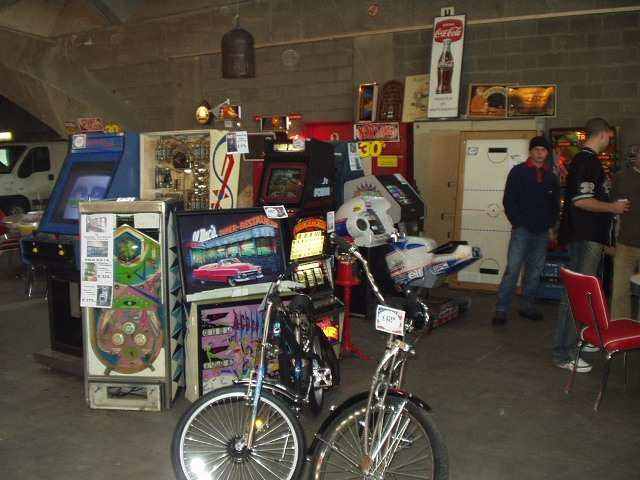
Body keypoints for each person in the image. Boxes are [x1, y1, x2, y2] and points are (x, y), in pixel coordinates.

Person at [552, 118, 631, 372]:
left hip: (590, 238)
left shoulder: (587, 161)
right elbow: (581, 201)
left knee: (584, 295)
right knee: (575, 296)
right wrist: (613, 207)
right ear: (604, 134)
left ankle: (581, 340)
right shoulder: (587, 161)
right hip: (584, 238)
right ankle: (562, 352)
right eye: (609, 136)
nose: (610, 141)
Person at [492, 136, 560, 326]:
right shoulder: (518, 172)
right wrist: (518, 223)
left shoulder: (551, 177)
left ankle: (527, 306)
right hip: (522, 230)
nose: (539, 153)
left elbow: (554, 205)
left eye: (543, 150)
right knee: (513, 269)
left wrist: (551, 226)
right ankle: (501, 309)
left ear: (547, 153)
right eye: (536, 149)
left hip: (542, 232)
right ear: (531, 151)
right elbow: (509, 200)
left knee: (535, 271)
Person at [611, 147, 640, 318]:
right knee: (620, 292)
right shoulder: (620, 177)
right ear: (635, 156)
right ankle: (620, 331)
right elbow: (612, 206)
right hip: (625, 243)